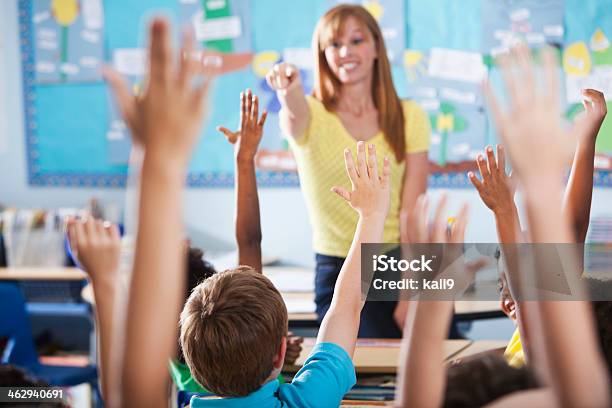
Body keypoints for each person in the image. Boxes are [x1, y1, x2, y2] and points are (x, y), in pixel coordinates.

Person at [181, 142, 392, 405]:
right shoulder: (306, 402)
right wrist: (372, 216)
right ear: (281, 353)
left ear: (193, 367)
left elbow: (344, 310)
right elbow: (345, 309)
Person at [266, 4, 430, 336]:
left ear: (376, 48)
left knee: (449, 355)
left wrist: (411, 293)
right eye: (335, 44)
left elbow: (413, 210)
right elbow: (293, 113)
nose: (346, 52)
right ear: (323, 54)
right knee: (367, 364)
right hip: (339, 266)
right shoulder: (310, 114)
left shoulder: (410, 115)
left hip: (402, 259)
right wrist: (288, 91)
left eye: (357, 40)